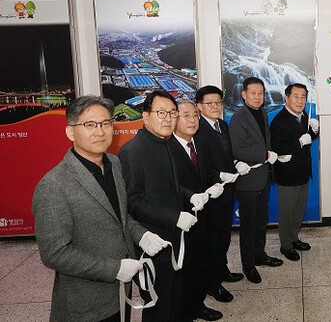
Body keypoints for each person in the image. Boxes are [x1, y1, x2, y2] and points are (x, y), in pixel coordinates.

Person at [32, 95, 167, 322]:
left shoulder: (114, 163)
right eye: (90, 125)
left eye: (106, 123)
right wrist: (114, 269)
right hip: (86, 303)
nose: (100, 131)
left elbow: (119, 216)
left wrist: (142, 235)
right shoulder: (54, 185)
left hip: (121, 294)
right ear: (70, 132)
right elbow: (54, 253)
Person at [120, 90, 203, 322]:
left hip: (174, 241)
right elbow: (132, 202)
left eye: (172, 113)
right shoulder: (132, 151)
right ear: (145, 116)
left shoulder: (164, 143)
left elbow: (171, 184)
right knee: (159, 309)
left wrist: (190, 197)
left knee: (174, 303)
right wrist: (175, 217)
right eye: (161, 113)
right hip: (153, 244)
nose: (168, 118)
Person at [168, 99, 224, 321]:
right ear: (174, 118)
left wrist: (217, 180)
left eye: (195, 115)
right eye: (186, 116)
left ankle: (198, 306)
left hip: (204, 217)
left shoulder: (200, 142)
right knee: (184, 272)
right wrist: (190, 196)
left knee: (202, 266)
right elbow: (170, 185)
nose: (192, 120)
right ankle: (184, 313)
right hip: (180, 222)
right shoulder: (167, 148)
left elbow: (208, 171)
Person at [229, 77, 283, 284]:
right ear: (244, 94)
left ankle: (260, 255)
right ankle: (248, 265)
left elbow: (264, 141)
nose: (258, 97)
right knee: (248, 226)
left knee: (261, 222)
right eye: (253, 93)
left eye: (261, 93)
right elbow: (237, 150)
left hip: (263, 176)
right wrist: (265, 154)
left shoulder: (262, 113)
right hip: (248, 181)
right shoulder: (239, 117)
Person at [195, 85, 244, 303]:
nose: (215, 106)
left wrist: (236, 163)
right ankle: (212, 284)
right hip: (211, 194)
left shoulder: (222, 125)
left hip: (227, 191)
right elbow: (199, 166)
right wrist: (219, 176)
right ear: (199, 106)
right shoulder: (197, 130)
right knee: (212, 242)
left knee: (224, 236)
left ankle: (222, 270)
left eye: (218, 102)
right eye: (210, 103)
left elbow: (227, 154)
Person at [270, 83, 318, 261]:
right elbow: (278, 148)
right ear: (287, 98)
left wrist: (315, 130)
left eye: (303, 97)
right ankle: (286, 245)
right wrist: (299, 142)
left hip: (303, 170)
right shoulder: (279, 121)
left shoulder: (303, 115)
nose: (300, 100)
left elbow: (308, 137)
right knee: (287, 212)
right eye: (296, 96)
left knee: (298, 210)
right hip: (287, 174)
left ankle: (294, 238)